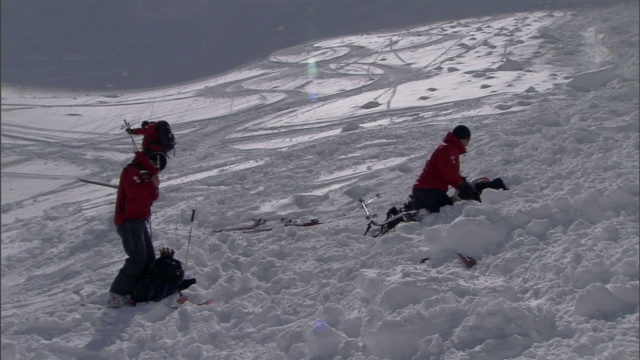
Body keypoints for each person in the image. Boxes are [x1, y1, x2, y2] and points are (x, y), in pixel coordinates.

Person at [107, 151, 167, 308]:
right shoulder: (132, 170)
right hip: (128, 219)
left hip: (139, 220)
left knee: (148, 258)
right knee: (137, 257)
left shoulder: (147, 174)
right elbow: (133, 191)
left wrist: (154, 185)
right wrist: (151, 184)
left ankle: (136, 291)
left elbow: (152, 196)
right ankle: (117, 293)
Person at [412, 125, 479, 213]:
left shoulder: (447, 147)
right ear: (463, 138)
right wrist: (461, 184)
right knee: (446, 211)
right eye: (468, 140)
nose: (468, 143)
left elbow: (447, 172)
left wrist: (461, 184)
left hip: (424, 189)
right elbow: (448, 172)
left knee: (430, 214)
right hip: (430, 190)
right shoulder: (449, 148)